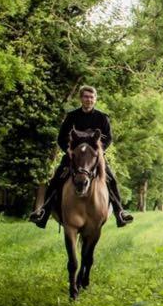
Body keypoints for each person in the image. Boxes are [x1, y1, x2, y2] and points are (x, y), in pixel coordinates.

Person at [29, 86, 134, 228]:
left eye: (92, 97)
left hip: (95, 158)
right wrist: (68, 150)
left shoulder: (102, 117)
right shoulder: (71, 116)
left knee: (112, 179)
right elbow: (61, 138)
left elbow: (108, 138)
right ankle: (44, 212)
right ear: (81, 99)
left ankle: (120, 212)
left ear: (95, 99)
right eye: (86, 97)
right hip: (73, 157)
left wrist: (99, 152)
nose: (89, 100)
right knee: (56, 179)